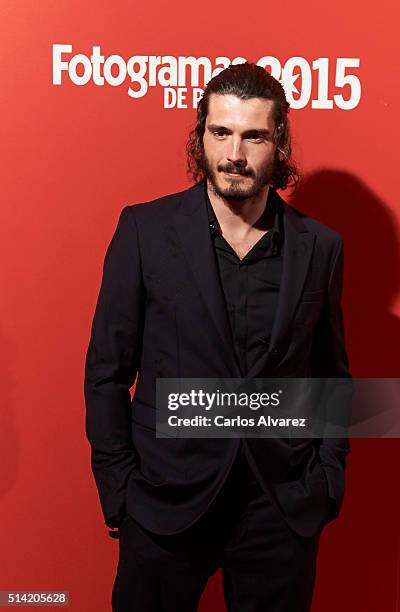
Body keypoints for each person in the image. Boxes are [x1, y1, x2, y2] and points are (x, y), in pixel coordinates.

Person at [84, 62, 351, 612]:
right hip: (165, 503)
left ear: (279, 142)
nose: (234, 153)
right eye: (220, 132)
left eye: (253, 135)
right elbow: (107, 372)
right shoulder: (145, 232)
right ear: (200, 134)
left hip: (280, 505)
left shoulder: (320, 247)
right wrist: (121, 493)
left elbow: (331, 374)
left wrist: (327, 478)